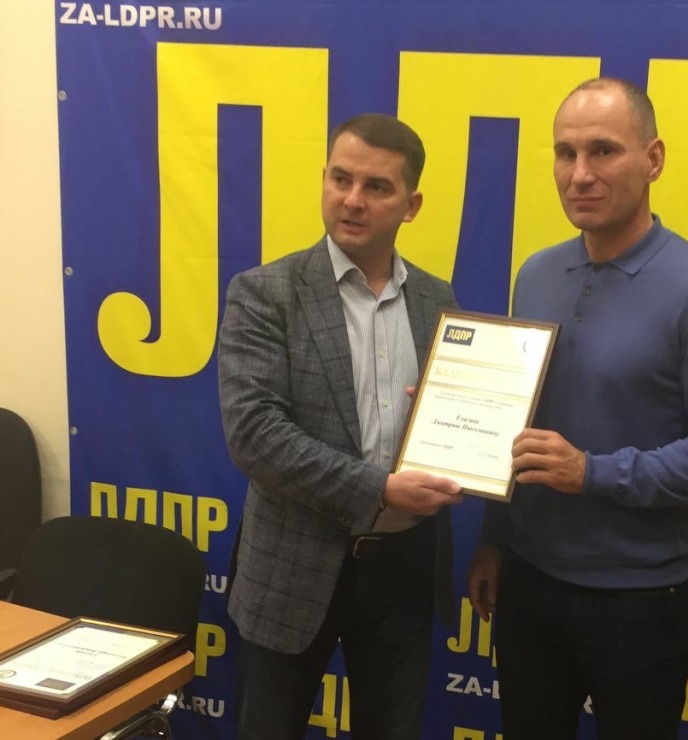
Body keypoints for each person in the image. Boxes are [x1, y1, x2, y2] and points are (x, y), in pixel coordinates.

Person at [468, 78, 688, 739]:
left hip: (637, 598)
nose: (580, 174)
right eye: (565, 153)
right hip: (530, 579)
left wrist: (592, 472)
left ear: (653, 159)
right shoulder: (535, 274)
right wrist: (494, 537)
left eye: (603, 151)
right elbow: (520, 420)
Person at [218, 113, 463, 740]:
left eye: (376, 187)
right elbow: (255, 434)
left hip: (404, 569)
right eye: (341, 178)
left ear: (411, 205)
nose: (353, 199)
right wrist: (379, 489)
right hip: (292, 565)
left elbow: (456, 425)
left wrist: (448, 421)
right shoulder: (264, 292)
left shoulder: (437, 300)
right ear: (324, 178)